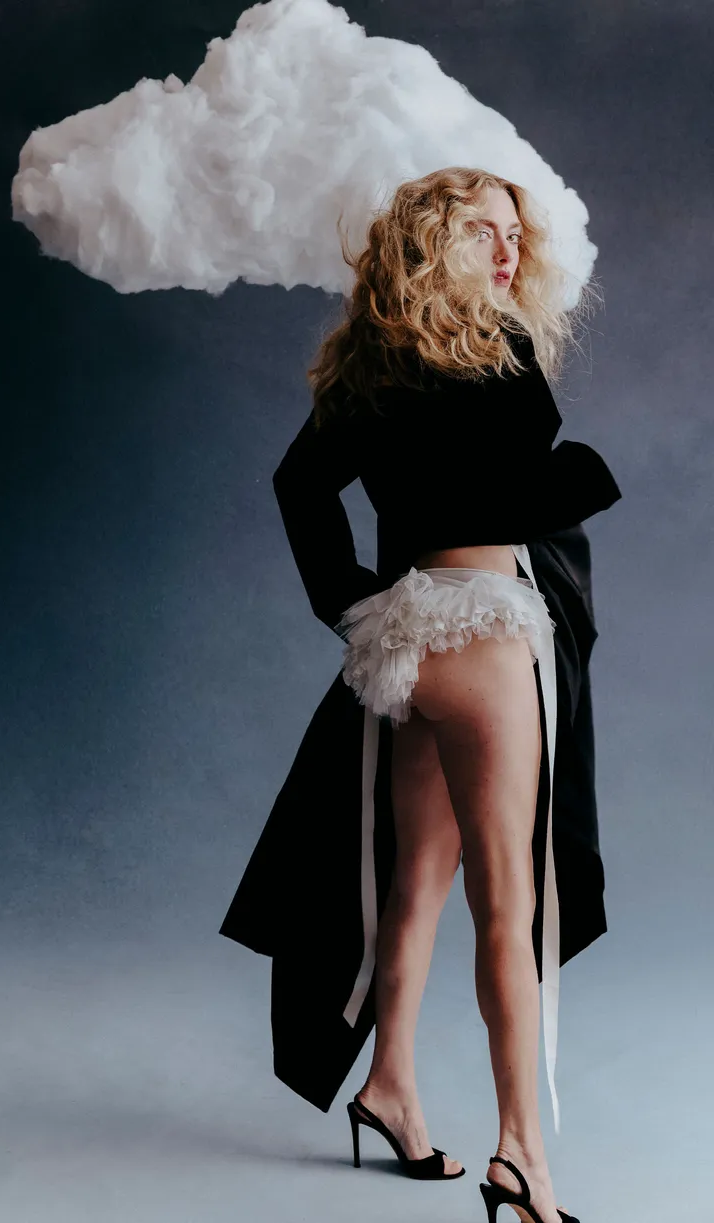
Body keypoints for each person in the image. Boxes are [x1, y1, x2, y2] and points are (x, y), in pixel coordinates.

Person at [219, 167, 622, 1223]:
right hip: (485, 636)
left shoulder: (371, 358)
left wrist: (349, 604)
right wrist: (581, 475)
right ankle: (521, 1157)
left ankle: (390, 1083)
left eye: (514, 233)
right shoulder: (499, 346)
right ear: (436, 240)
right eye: (484, 231)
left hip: (405, 641)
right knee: (508, 906)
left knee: (414, 884)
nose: (508, 251)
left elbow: (300, 484)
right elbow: (505, 493)